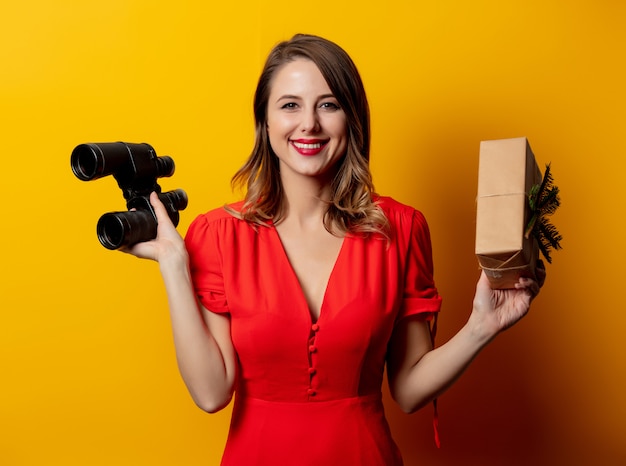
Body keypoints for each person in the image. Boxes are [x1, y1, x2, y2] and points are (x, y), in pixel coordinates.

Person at [125, 34, 544, 465]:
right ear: (265, 123)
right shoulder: (216, 234)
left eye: (328, 104)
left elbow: (408, 389)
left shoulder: (401, 229)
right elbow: (212, 393)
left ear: (352, 119)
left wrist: (482, 325)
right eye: (289, 105)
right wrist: (174, 265)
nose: (309, 124)